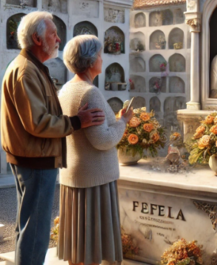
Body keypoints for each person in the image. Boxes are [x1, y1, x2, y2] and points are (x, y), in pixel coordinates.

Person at [0, 11, 105, 265]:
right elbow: (38, 122)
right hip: (36, 158)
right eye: (53, 34)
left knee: (27, 226)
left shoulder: (33, 68)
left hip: (33, 156)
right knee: (35, 231)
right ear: (38, 38)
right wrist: (78, 122)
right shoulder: (26, 71)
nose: (59, 39)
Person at [57, 35, 134, 265]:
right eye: (100, 55)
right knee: (91, 248)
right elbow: (102, 140)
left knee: (78, 248)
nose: (103, 59)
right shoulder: (90, 93)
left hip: (75, 174)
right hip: (94, 178)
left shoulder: (67, 89)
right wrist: (123, 121)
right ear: (91, 61)